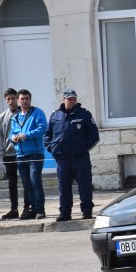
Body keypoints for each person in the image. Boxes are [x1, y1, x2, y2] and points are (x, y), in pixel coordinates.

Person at [44, 89, 100, 221]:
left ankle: (87, 212)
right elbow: (47, 135)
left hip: (80, 158)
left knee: (85, 186)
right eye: (69, 99)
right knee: (64, 188)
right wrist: (52, 148)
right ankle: (65, 213)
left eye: (74, 98)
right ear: (63, 100)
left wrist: (82, 148)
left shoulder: (84, 114)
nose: (72, 101)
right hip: (62, 159)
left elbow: (94, 135)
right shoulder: (55, 115)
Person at [9, 89, 48, 219]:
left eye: (27, 98)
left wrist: (27, 135)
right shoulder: (15, 117)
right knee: (26, 184)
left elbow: (42, 129)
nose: (24, 101)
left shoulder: (37, 112)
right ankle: (32, 209)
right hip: (20, 155)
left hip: (35, 154)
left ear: (30, 100)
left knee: (35, 181)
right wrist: (13, 138)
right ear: (18, 101)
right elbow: (11, 133)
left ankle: (40, 210)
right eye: (22, 99)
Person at [0, 88, 30, 220]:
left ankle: (27, 207)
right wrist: (2, 151)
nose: (11, 101)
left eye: (13, 98)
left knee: (26, 181)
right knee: (12, 183)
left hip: (21, 153)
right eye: (8, 99)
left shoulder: (23, 114)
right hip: (8, 154)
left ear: (17, 99)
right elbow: (0, 136)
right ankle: (13, 208)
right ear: (5, 100)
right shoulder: (2, 116)